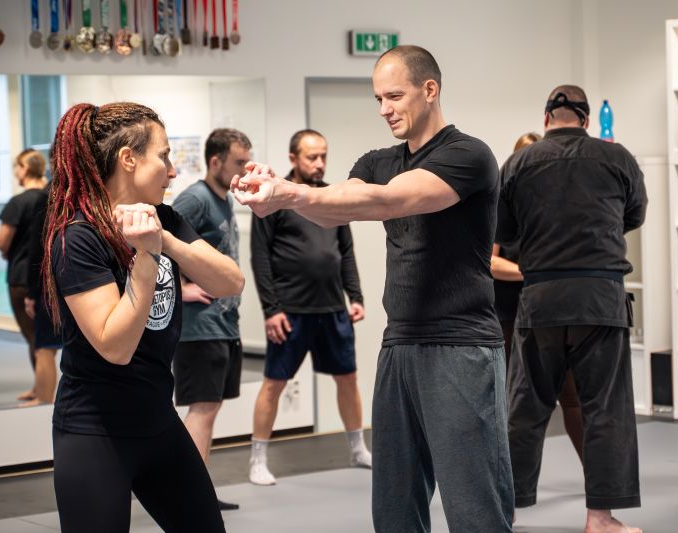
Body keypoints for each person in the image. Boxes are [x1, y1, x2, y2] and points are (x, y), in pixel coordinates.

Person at [234, 46, 514, 533]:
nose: (384, 108)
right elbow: (336, 206)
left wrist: (292, 193)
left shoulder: (468, 156)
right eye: (378, 98)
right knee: (394, 505)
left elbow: (391, 200)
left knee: (475, 505)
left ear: (430, 90)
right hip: (399, 345)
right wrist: (280, 195)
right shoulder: (377, 160)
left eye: (394, 96)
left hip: (461, 346)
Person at [42, 102, 243, 532]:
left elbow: (231, 281)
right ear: (128, 159)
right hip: (95, 432)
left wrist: (164, 240)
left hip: (158, 422)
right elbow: (115, 346)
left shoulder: (163, 218)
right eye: (163, 156)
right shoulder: (78, 237)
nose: (172, 171)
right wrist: (147, 256)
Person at [496, 86, 646, 533]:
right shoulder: (617, 158)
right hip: (600, 298)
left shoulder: (518, 163)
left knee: (524, 408)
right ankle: (600, 519)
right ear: (586, 119)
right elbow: (633, 216)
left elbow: (503, 227)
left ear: (546, 118)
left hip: (540, 298)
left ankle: (504, 510)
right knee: (605, 408)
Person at [247, 129, 370, 486]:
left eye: (323, 156)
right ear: (293, 158)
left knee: (348, 379)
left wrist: (355, 296)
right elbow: (259, 257)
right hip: (290, 311)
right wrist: (271, 309)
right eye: (311, 157)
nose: (319, 163)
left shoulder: (333, 196)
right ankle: (257, 460)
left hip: (332, 307)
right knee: (274, 383)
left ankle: (357, 449)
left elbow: (346, 251)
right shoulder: (274, 198)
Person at [491, 132, 584, 464]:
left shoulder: (558, 205)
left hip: (552, 312)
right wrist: (532, 272)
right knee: (513, 401)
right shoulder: (501, 204)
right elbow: (490, 262)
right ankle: (507, 484)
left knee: (572, 397)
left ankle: (597, 482)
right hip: (510, 315)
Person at [172, 128, 250, 511]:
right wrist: (181, 288)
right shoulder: (195, 199)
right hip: (198, 328)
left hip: (223, 325)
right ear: (215, 161)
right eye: (239, 162)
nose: (244, 170)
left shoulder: (224, 199)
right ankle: (189, 497)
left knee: (210, 408)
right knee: (202, 409)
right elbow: (154, 245)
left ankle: (197, 491)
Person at [0, 149, 47, 402]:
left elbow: (2, 241)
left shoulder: (17, 203)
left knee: (35, 337)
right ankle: (39, 387)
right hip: (46, 276)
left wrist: (7, 252)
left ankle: (42, 392)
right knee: (40, 337)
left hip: (21, 277)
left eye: (16, 167)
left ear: (24, 169)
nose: (15, 172)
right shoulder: (51, 197)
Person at [21, 179, 62, 407]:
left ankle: (44, 401)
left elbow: (37, 248)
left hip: (49, 284)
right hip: (68, 277)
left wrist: (31, 291)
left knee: (45, 347)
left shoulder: (50, 195)